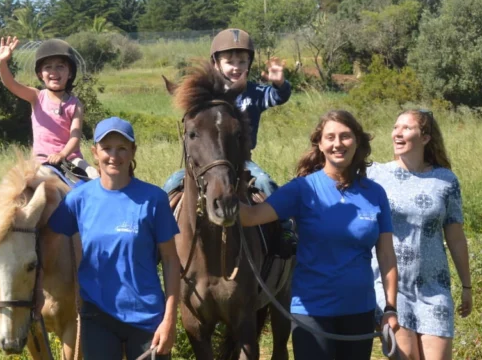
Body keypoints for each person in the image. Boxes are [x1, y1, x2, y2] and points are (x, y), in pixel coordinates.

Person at [237, 110, 400, 359]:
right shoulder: (302, 189)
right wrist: (218, 194)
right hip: (312, 312)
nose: (338, 144)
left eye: (345, 136)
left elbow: (387, 255)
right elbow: (250, 217)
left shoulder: (375, 193)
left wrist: (390, 307)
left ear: (357, 141)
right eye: (330, 137)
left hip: (360, 310)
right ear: (320, 144)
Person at [47, 117, 182, 359]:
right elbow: (46, 242)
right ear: (94, 152)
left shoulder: (154, 199)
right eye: (106, 148)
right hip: (97, 319)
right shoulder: (78, 199)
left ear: (133, 152)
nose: (114, 156)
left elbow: (171, 261)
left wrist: (169, 320)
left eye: (122, 148)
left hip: (147, 319)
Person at [369, 109, 472, 360]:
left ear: (425, 137)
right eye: (395, 127)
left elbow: (456, 237)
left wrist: (467, 285)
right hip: (390, 287)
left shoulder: (445, 180)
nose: (397, 133)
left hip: (434, 286)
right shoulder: (375, 175)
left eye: (406, 128)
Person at [162, 28, 290, 199]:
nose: (236, 68)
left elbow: (277, 97)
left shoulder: (254, 92)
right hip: (206, 160)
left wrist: (280, 84)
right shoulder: (206, 94)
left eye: (242, 62)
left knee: (265, 183)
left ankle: (285, 224)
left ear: (249, 64)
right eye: (230, 62)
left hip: (242, 161)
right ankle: (159, 223)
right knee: (171, 184)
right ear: (216, 63)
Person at [0, 35, 97, 178]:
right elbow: (11, 84)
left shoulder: (75, 104)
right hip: (39, 160)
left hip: (71, 159)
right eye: (48, 67)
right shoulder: (37, 97)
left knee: (95, 177)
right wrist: (1, 62)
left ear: (70, 73)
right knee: (13, 179)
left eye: (60, 66)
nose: (54, 72)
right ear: (40, 74)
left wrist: (62, 154)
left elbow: (75, 137)